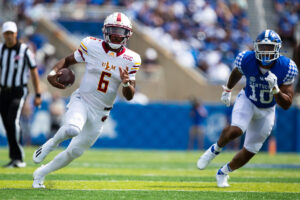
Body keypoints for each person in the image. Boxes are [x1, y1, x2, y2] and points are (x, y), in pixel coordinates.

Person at [32, 12, 141, 189]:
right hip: (82, 100)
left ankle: (40, 174)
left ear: (127, 34)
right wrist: (52, 74)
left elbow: (129, 96)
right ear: (105, 30)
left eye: (120, 31)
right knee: (73, 129)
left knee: (74, 152)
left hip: (101, 113)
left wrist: (126, 82)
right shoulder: (91, 45)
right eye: (113, 30)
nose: (116, 34)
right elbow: (67, 61)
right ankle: (51, 143)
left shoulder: (132, 59)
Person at [196, 29, 298, 187]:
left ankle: (223, 172)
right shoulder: (246, 59)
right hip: (248, 100)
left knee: (250, 151)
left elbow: (286, 104)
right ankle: (214, 150)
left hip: (267, 110)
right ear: (256, 47)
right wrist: (228, 89)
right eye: (262, 47)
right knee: (236, 130)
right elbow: (237, 72)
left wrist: (276, 90)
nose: (265, 52)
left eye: (269, 47)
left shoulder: (287, 67)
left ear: (277, 49)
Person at [0, 21, 42, 168]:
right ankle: (14, 157)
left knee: (12, 121)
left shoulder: (24, 50)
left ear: (16, 33)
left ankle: (18, 158)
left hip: (19, 90)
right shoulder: (1, 50)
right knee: (7, 124)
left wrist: (38, 94)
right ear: (3, 34)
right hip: (3, 91)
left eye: (11, 33)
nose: (9, 36)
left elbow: (34, 71)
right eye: (7, 33)